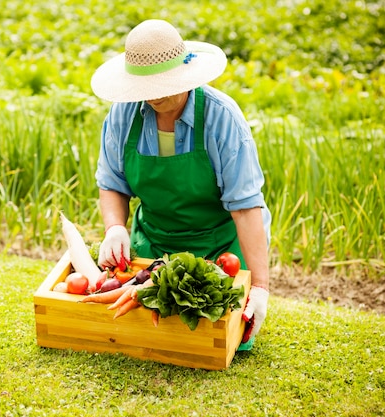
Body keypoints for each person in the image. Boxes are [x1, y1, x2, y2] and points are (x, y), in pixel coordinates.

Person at [90, 19, 271, 348]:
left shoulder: (221, 118)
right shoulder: (122, 116)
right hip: (154, 247)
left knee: (224, 340)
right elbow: (112, 182)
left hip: (220, 250)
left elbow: (246, 207)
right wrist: (114, 227)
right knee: (143, 336)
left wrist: (259, 287)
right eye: (147, 86)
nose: (155, 95)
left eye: (164, 83)